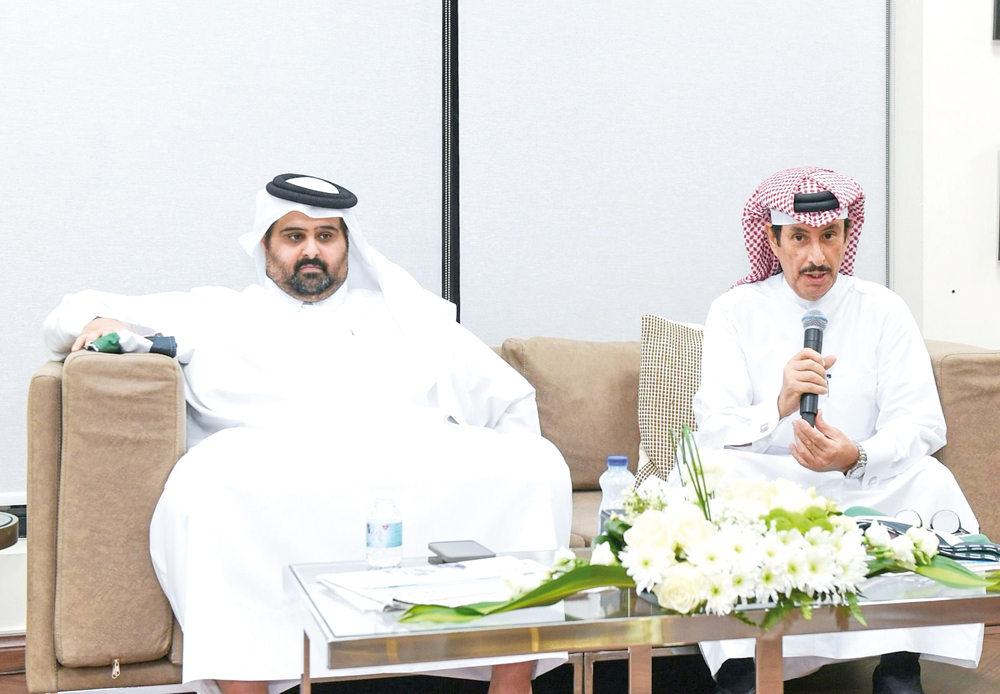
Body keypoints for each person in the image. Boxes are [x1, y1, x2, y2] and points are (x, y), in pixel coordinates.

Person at [43, 174, 573, 694]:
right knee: (207, 490)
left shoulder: (404, 315)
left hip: (407, 463)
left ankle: (511, 684)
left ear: (347, 245)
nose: (311, 250)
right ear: (266, 245)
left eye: (326, 236)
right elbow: (68, 311)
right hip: (273, 471)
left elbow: (507, 396)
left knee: (536, 465)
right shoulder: (219, 312)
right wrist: (98, 321)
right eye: (294, 236)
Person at [692, 166, 981, 694]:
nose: (817, 256)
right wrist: (777, 405)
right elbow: (712, 427)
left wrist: (857, 456)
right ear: (773, 241)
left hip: (860, 485)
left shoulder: (883, 310)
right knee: (707, 480)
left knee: (931, 480)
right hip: (768, 485)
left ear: (848, 235)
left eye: (829, 236)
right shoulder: (735, 311)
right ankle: (742, 669)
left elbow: (921, 422)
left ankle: (899, 664)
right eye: (799, 238)